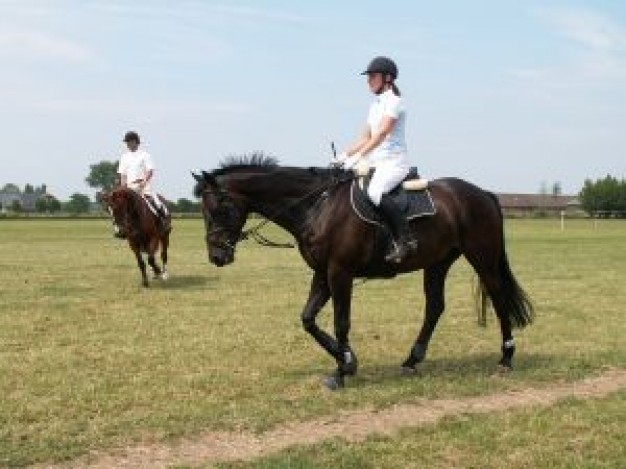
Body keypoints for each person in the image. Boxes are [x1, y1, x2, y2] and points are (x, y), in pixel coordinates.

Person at [334, 56, 418, 263]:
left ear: (388, 78)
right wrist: (344, 156)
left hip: (394, 162)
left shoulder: (396, 103)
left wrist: (359, 156)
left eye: (373, 76)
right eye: (369, 77)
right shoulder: (374, 106)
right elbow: (364, 137)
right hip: (375, 162)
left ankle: (405, 240)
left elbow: (381, 135)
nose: (369, 80)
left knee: (375, 191)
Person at [117, 131, 169, 230]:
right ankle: (121, 228)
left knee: (156, 203)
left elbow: (150, 171)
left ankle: (163, 223)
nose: (127, 144)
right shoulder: (124, 157)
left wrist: (144, 182)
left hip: (144, 186)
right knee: (119, 206)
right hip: (129, 188)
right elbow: (123, 174)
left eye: (129, 141)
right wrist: (123, 187)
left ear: (136, 142)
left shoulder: (145, 155)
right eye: (126, 142)